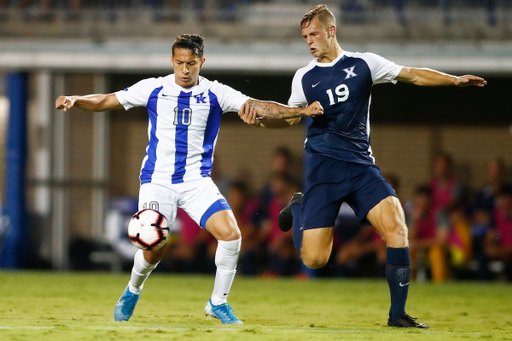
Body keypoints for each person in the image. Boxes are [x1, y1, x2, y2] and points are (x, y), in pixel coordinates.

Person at [238, 4, 486, 328]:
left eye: (314, 34)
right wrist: (261, 124)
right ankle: (299, 207)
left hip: (360, 168)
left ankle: (398, 316)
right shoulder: (304, 78)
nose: (309, 42)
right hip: (323, 172)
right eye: (304, 37)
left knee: (398, 227)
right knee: (315, 259)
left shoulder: (365, 64)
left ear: (331, 31)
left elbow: (412, 74)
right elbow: (286, 119)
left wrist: (453, 81)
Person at [55, 34, 323, 324]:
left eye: (191, 64)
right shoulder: (154, 88)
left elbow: (259, 106)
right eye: (180, 63)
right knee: (154, 247)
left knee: (232, 235)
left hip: (196, 182)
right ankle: (132, 289)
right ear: (172, 61)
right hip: (157, 180)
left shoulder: (215, 93)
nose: (185, 69)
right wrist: (76, 99)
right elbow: (107, 100)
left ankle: (218, 303)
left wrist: (301, 111)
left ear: (202, 62)